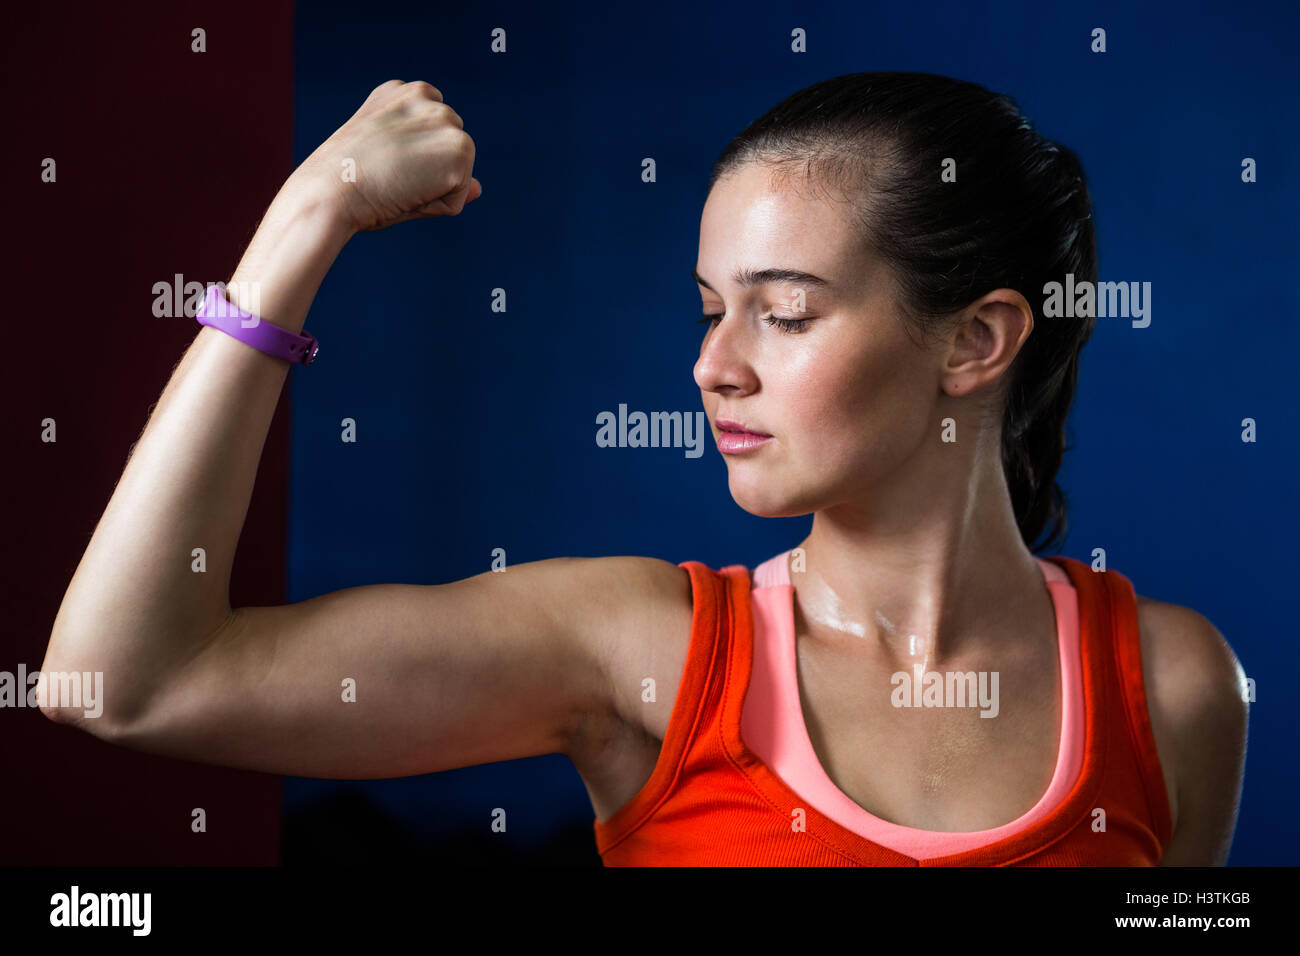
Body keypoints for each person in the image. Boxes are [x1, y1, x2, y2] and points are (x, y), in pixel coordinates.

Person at [41, 73, 1247, 865]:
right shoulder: (642, 647)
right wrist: (306, 217)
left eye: (782, 313)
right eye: (708, 309)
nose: (711, 366)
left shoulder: (1171, 683)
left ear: (974, 340)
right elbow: (121, 681)